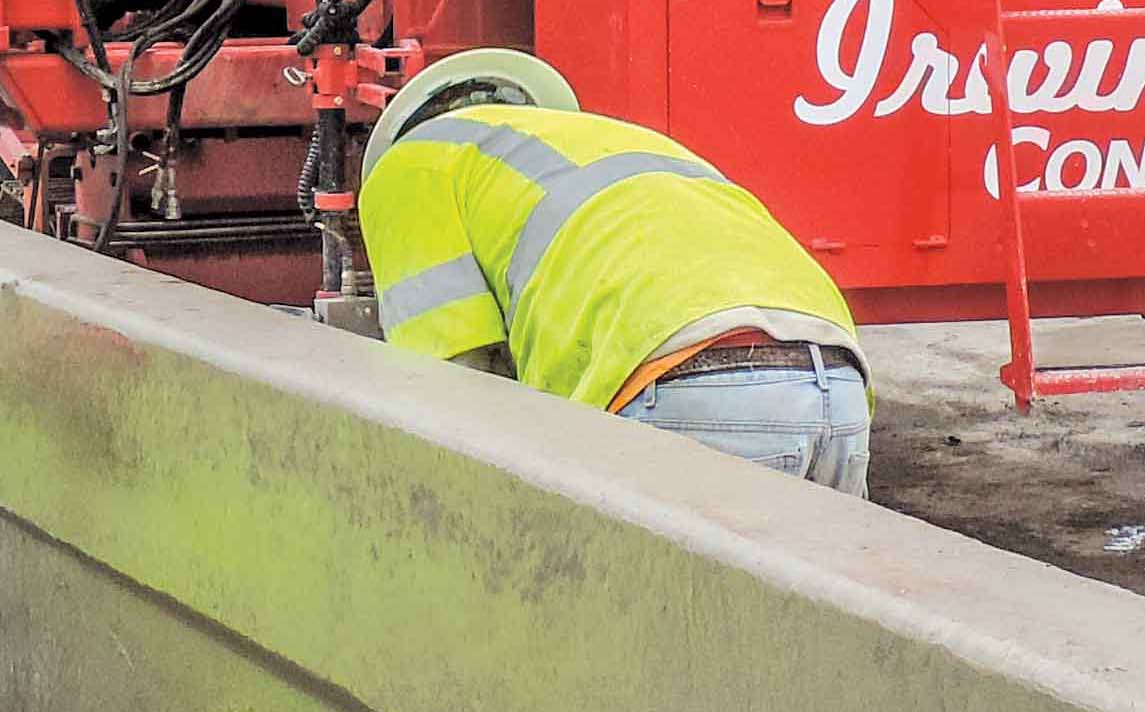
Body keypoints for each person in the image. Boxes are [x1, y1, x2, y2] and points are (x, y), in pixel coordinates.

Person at [355, 47, 873, 493]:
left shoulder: (409, 166)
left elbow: (449, 384)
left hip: (687, 384)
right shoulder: (607, 142)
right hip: (840, 384)